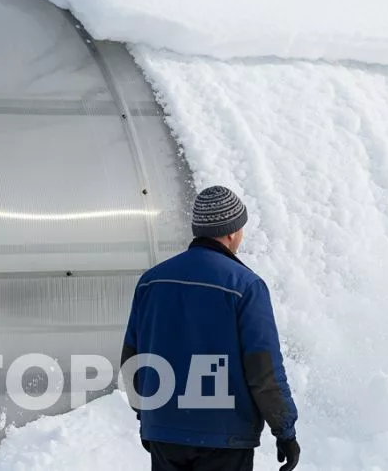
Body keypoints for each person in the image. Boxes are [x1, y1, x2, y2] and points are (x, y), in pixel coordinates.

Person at [122, 186, 300, 471]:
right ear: (231, 232)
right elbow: (263, 369)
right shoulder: (246, 287)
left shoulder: (151, 282)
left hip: (165, 434)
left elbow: (132, 357)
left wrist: (148, 416)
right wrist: (285, 430)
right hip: (224, 437)